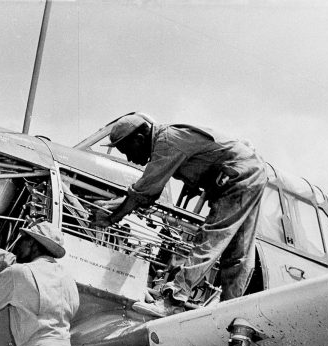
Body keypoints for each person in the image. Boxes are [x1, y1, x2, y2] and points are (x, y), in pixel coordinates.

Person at [94, 114, 267, 317]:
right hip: (251, 172)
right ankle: (232, 311)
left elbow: (145, 192)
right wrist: (115, 205)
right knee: (238, 251)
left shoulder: (166, 141)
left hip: (237, 176)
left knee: (210, 239)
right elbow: (146, 193)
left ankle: (174, 298)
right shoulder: (168, 138)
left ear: (140, 137)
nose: (130, 159)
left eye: (127, 150)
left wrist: (109, 218)